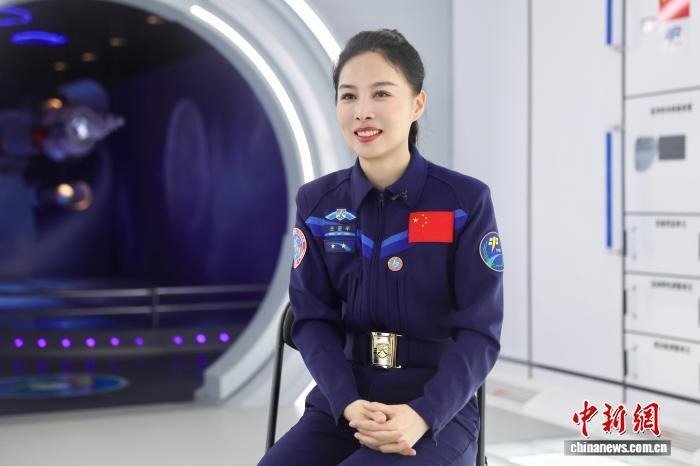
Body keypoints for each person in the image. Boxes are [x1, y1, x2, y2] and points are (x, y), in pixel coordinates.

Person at [258, 28, 503, 466]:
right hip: (345, 404)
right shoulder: (317, 204)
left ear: (417, 104)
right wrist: (348, 404)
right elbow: (312, 319)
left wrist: (422, 414)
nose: (362, 111)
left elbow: (480, 331)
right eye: (348, 96)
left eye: (382, 94)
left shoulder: (464, 202)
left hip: (436, 410)